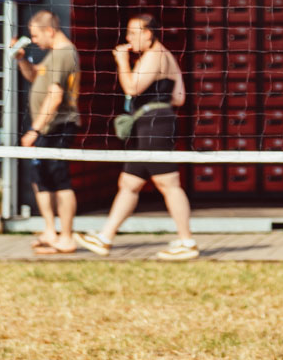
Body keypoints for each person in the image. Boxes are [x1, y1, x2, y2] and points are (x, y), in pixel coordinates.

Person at [76, 14, 198, 261]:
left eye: (133, 32)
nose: (128, 38)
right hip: (151, 123)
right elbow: (179, 97)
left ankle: (187, 242)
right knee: (129, 184)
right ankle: (105, 237)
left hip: (154, 125)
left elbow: (132, 88)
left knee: (168, 183)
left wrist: (122, 62)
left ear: (149, 34)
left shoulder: (154, 55)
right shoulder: (166, 56)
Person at [16, 10, 81, 255]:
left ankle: (66, 237)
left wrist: (35, 129)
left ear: (50, 31)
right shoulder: (53, 54)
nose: (33, 41)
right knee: (40, 179)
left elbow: (55, 96)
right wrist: (22, 59)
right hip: (45, 127)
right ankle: (50, 232)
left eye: (35, 36)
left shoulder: (64, 53)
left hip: (58, 126)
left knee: (59, 180)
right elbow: (34, 76)